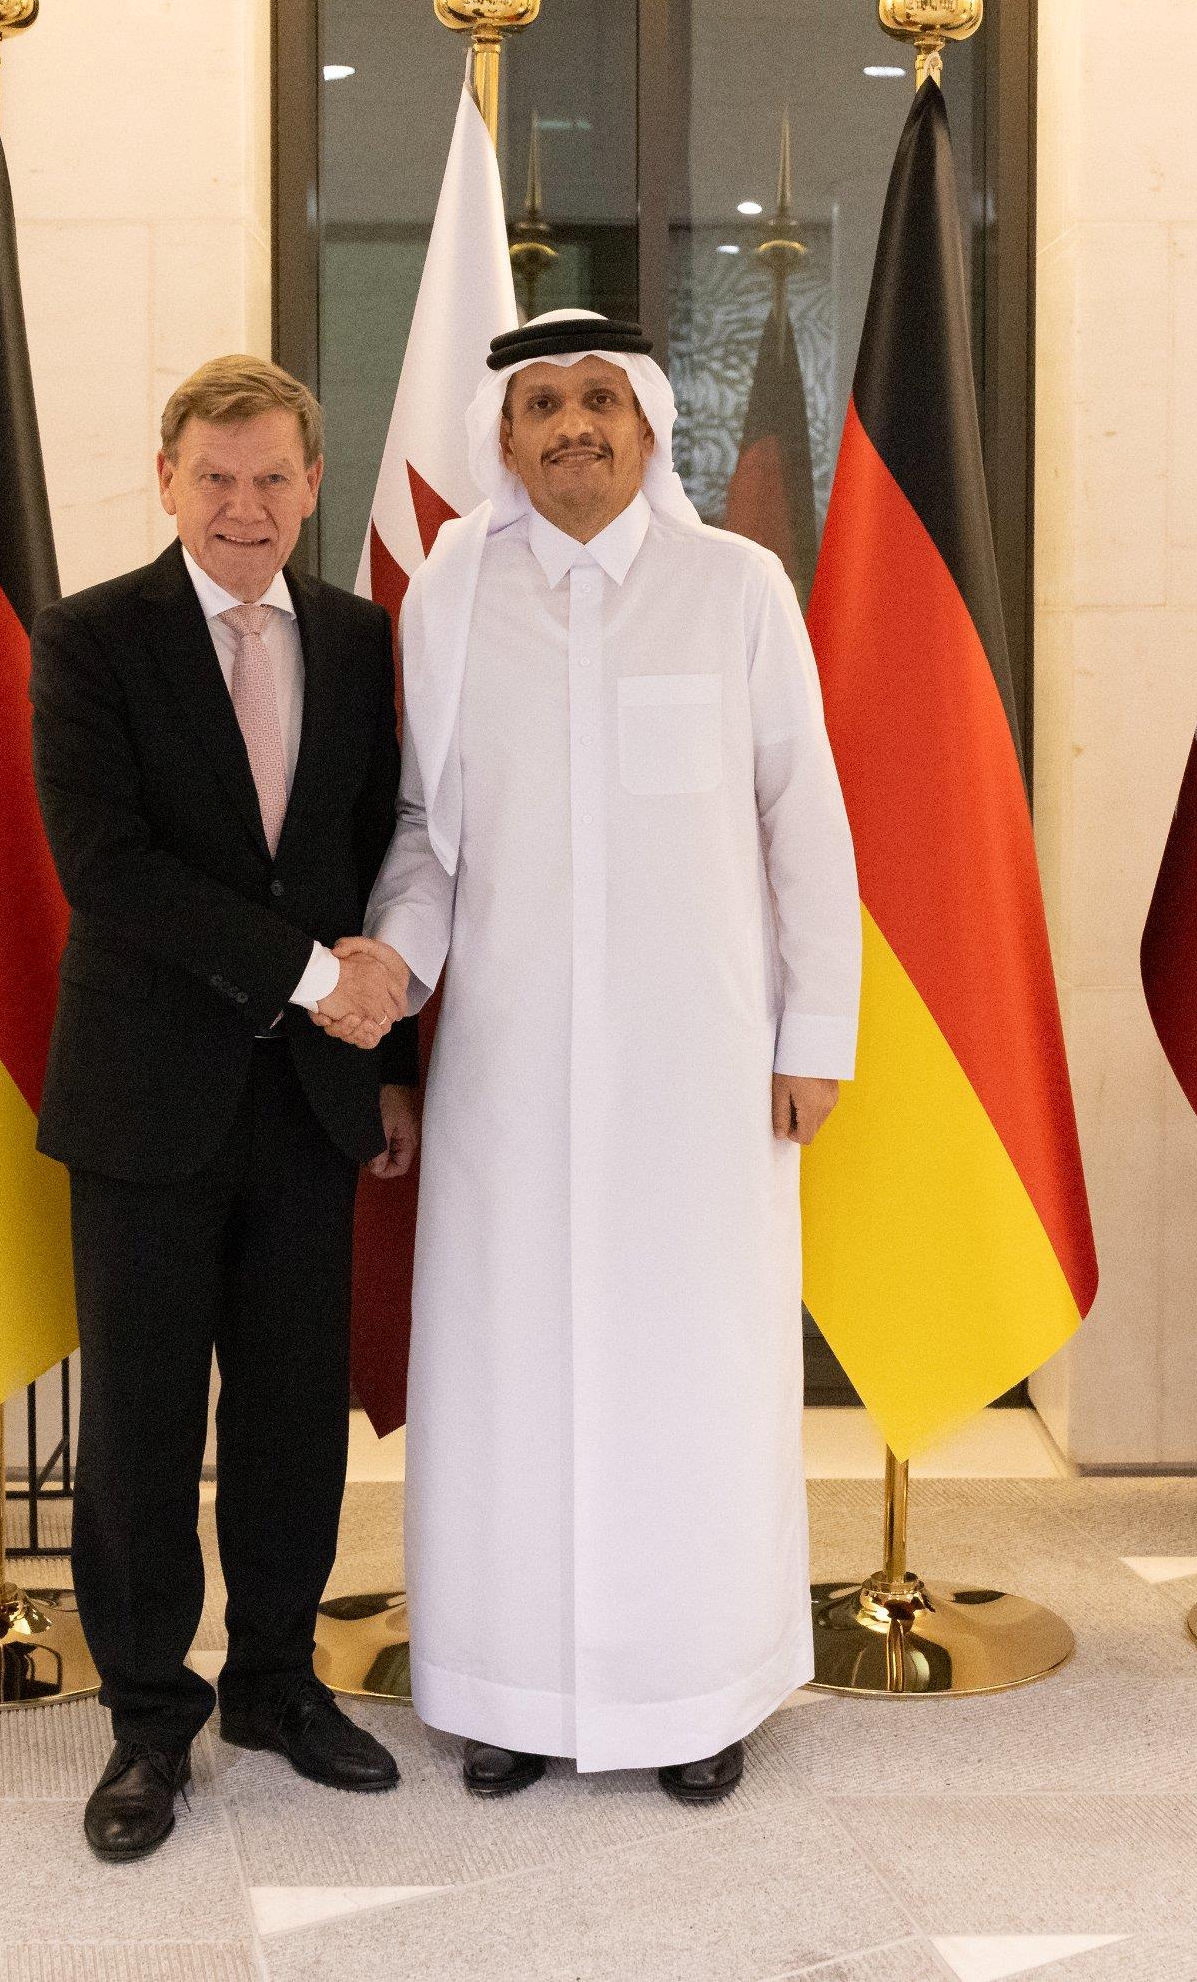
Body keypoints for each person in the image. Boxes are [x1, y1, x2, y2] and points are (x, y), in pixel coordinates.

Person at [356, 308, 861, 1807]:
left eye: (598, 399)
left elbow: (804, 817)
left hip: (697, 1074)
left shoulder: (736, 587)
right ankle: (506, 1691)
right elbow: (426, 832)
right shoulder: (451, 593)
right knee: (504, 1379)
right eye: (541, 404)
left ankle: (695, 1693)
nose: (571, 425)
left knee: (692, 1376)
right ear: (505, 438)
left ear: (646, 424)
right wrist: (393, 974)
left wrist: (815, 1032)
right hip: (507, 1074)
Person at [27, 356, 423, 1863]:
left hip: (313, 1101)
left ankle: (272, 1683)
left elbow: (380, 844)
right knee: (140, 1424)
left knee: (289, 1417)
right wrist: (316, 974)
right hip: (147, 1098)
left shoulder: (361, 638)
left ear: (313, 485)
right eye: (215, 476)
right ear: (166, 479)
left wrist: (389, 1057)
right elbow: (107, 868)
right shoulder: (89, 637)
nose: (242, 505)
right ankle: (147, 1716)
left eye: (270, 478)